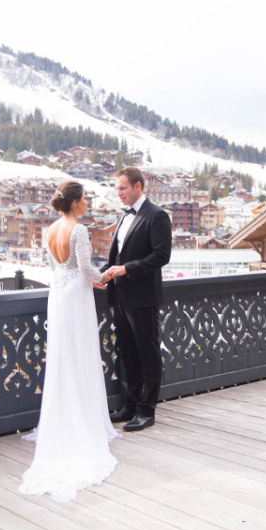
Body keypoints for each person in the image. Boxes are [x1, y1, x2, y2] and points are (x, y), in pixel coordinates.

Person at [19, 181, 120, 501]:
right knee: (82, 354)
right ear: (75, 203)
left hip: (58, 295)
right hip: (77, 294)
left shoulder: (50, 230)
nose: (87, 202)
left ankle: (64, 414)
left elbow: (55, 268)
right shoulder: (79, 230)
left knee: (64, 355)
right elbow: (87, 268)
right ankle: (84, 419)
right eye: (85, 198)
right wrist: (106, 277)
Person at [101, 166, 172, 432]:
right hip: (120, 295)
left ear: (138, 187)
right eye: (117, 188)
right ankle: (130, 405)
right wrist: (106, 276)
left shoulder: (157, 215)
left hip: (143, 297)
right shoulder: (123, 217)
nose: (118, 193)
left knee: (148, 354)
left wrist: (128, 269)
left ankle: (146, 410)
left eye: (123, 188)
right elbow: (117, 255)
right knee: (127, 353)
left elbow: (162, 256)